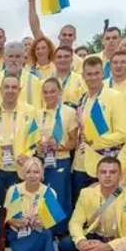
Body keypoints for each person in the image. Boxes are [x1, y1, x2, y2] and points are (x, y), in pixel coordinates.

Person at [0, 74, 40, 251]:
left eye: (14, 87)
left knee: (16, 208)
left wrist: (27, 155)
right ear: (0, 90)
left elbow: (35, 139)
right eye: (7, 87)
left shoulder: (29, 111)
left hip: (19, 168)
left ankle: (12, 242)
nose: (10, 91)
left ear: (19, 90)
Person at [60, 157, 126, 251]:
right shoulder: (86, 193)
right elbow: (75, 222)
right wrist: (81, 241)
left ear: (120, 175)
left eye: (113, 172)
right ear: (97, 174)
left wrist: (108, 247)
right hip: (95, 236)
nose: (107, 176)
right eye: (103, 172)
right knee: (66, 245)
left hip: (119, 241)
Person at [75, 56, 126, 203]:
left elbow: (123, 135)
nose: (93, 78)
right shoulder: (83, 99)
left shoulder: (115, 97)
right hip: (80, 164)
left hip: (104, 166)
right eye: (89, 74)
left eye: (96, 73)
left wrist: (96, 142)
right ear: (83, 76)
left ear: (103, 74)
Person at [4, 158, 61, 251]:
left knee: (46, 234)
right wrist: (18, 222)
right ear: (23, 174)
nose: (32, 175)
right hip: (19, 234)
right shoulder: (14, 190)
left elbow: (52, 221)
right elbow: (10, 219)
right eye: (28, 172)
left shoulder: (49, 192)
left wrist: (41, 221)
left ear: (41, 174)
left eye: (36, 172)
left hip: (39, 232)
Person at [36, 77, 78, 235]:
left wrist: (58, 147)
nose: (49, 95)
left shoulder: (69, 112)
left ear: (60, 92)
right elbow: (33, 139)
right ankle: (45, 235)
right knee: (42, 199)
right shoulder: (38, 113)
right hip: (42, 162)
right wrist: (40, 145)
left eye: (53, 91)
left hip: (61, 161)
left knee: (58, 199)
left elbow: (74, 142)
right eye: (45, 92)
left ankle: (57, 235)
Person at [26, 0, 82, 73]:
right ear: (59, 36)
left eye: (70, 35)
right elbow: (35, 29)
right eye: (64, 35)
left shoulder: (79, 61)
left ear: (75, 38)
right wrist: (32, 3)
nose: (67, 37)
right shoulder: (50, 51)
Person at [0, 41, 42, 109]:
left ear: (23, 58)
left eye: (17, 56)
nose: (14, 60)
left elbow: (37, 109)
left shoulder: (34, 81)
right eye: (10, 56)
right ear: (4, 58)